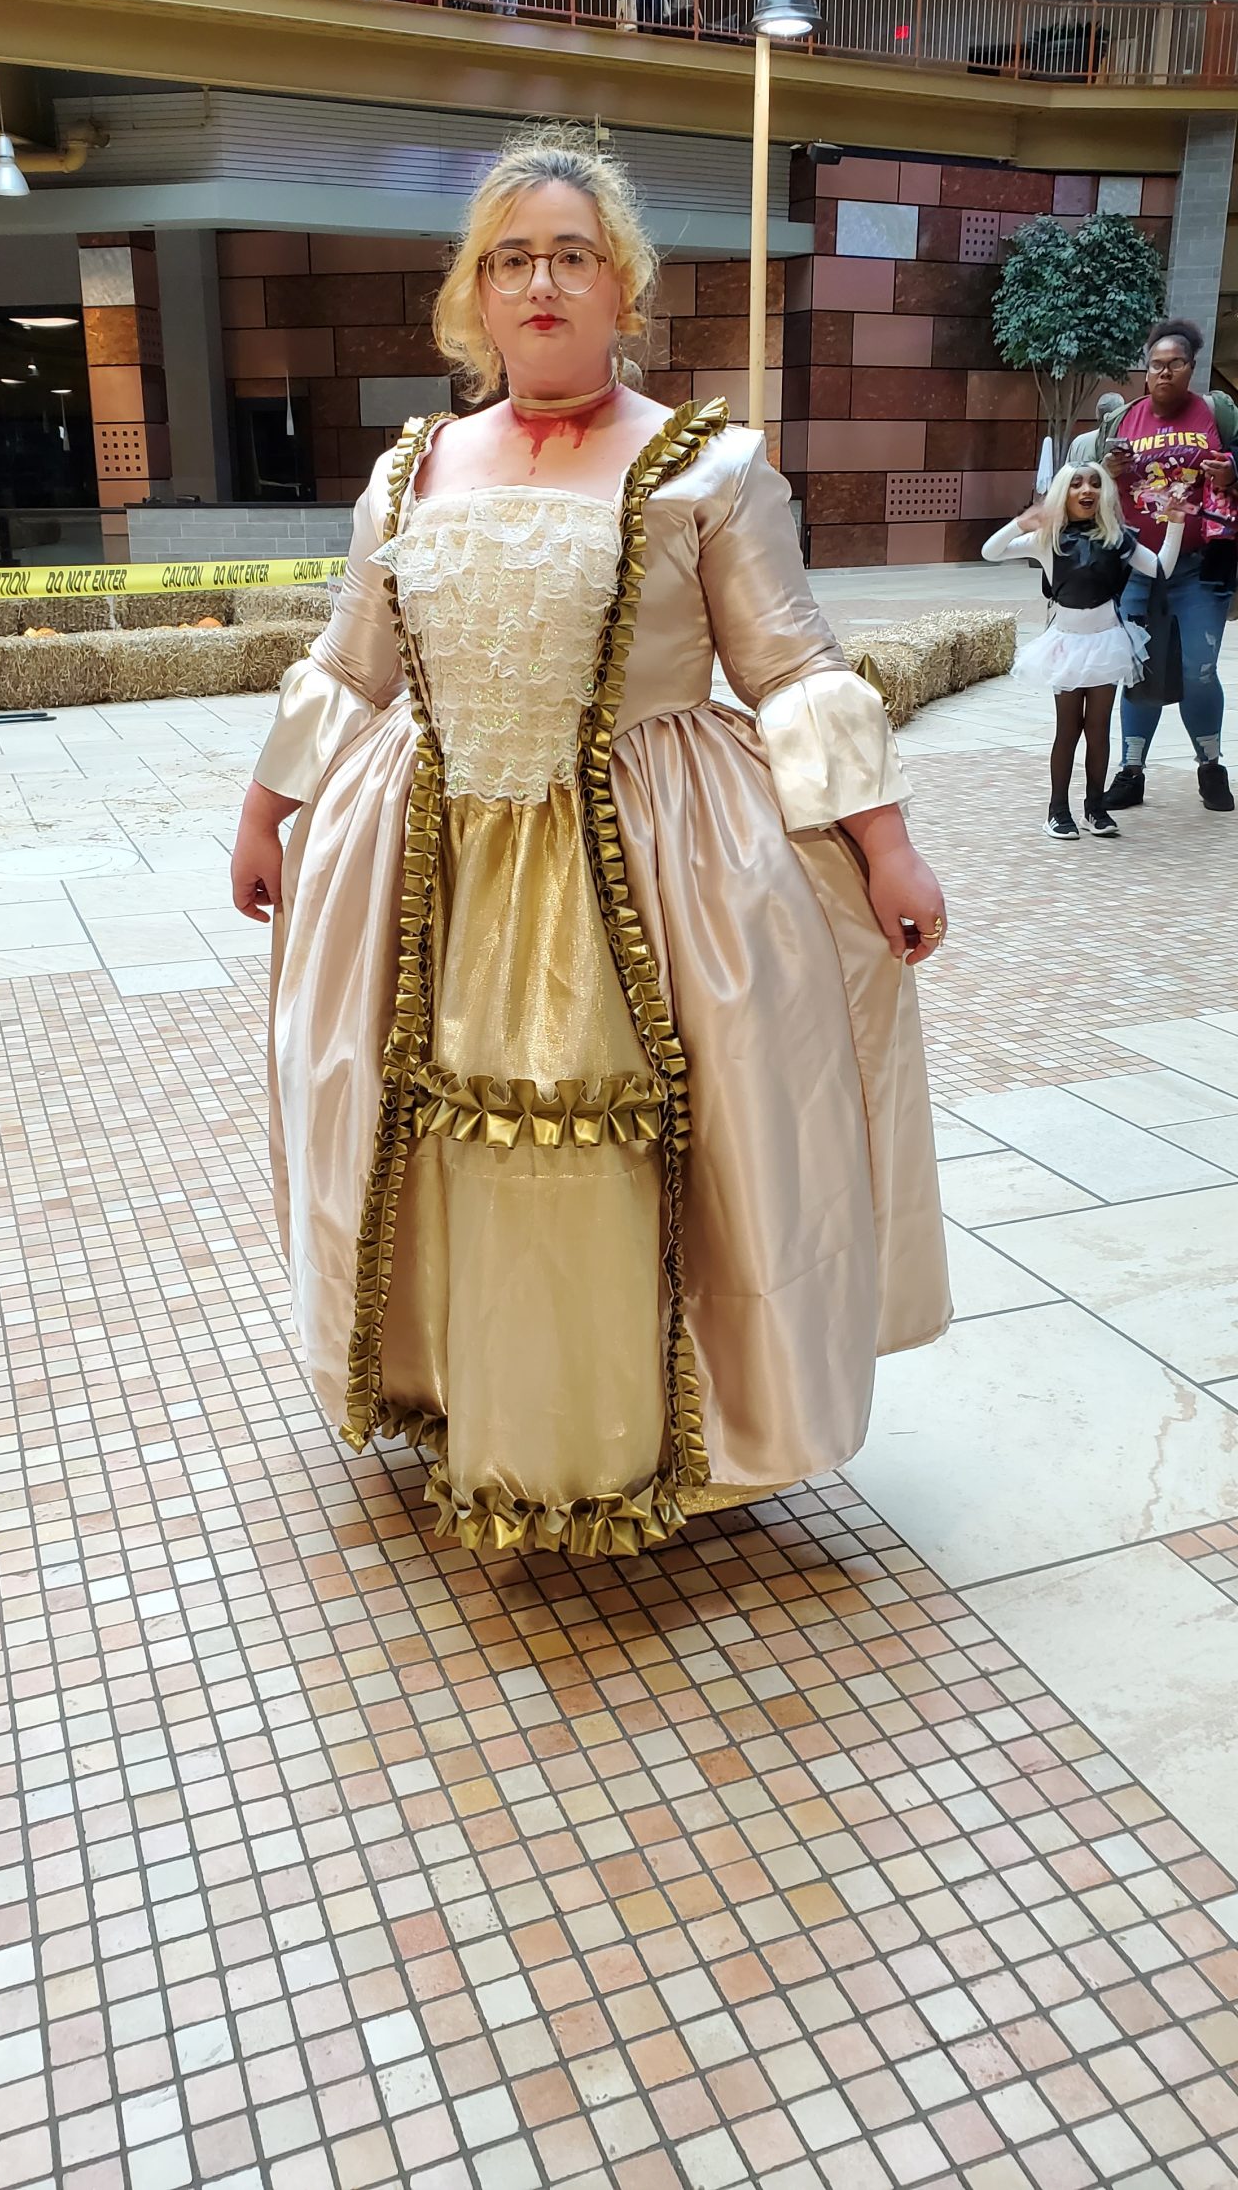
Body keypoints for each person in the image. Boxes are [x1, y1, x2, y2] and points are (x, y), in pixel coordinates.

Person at [230, 127, 951, 1557]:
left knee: (647, 1146)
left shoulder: (709, 469)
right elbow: (353, 664)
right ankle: (467, 1390)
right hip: (430, 864)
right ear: (474, 296)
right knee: (435, 1134)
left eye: (572, 255)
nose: (541, 284)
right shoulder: (411, 471)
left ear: (624, 285)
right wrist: (265, 813)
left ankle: (628, 1422)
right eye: (510, 260)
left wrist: (885, 846)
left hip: (659, 856)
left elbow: (792, 668)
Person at [983, 461, 1184, 841]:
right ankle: (1057, 810)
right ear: (1063, 493)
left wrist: (1175, 523)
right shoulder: (1047, 539)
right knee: (1068, 727)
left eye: (1094, 483)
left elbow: (1161, 568)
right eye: (1075, 484)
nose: (1086, 490)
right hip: (1066, 644)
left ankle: (1095, 807)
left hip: (1107, 642)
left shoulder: (1118, 539)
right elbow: (990, 552)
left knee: (1099, 727)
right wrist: (1022, 523)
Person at [1095, 317, 1236, 815]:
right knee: (1138, 671)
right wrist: (1107, 470)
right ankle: (1131, 772)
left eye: (1175, 363)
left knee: (1199, 670)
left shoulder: (1216, 414)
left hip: (1199, 569)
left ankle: (1211, 766)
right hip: (1138, 569)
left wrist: (1232, 470)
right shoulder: (1125, 420)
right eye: (1156, 364)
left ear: (1191, 367)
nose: (1164, 372)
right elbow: (1092, 485)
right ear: (1146, 369)